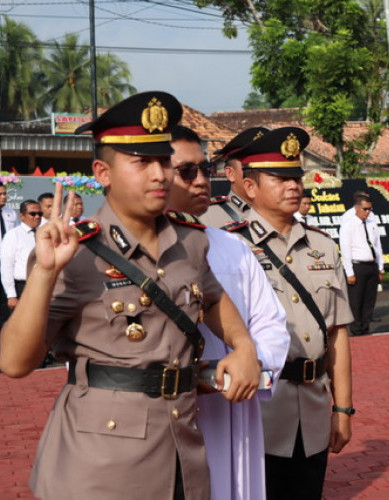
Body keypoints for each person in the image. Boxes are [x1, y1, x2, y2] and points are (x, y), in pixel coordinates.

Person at [0, 91, 261, 500]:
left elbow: (211, 298)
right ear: (103, 173)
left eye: (162, 160)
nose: (160, 174)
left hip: (182, 447)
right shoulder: (75, 252)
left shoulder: (190, 241)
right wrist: (45, 273)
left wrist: (243, 344)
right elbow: (15, 363)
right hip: (102, 462)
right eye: (142, 163)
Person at [230, 126, 354, 500]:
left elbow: (338, 334)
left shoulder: (322, 246)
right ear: (250, 187)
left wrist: (344, 408)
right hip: (256, 414)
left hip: (314, 408)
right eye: (279, 178)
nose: (293, 186)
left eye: (296, 177)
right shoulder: (228, 245)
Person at [168, 124, 290, 500]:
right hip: (157, 416)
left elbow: (270, 324)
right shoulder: (117, 252)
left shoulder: (232, 248)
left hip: (228, 407)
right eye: (187, 171)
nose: (202, 180)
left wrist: (249, 366)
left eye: (205, 170)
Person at [200, 127, 268, 228]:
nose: (261, 173)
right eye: (250, 166)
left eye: (268, 166)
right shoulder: (206, 217)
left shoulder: (286, 212)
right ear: (230, 173)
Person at [339, 192, 384, 336]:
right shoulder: (348, 224)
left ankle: (366, 327)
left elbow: (378, 246)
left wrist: (380, 268)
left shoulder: (371, 222)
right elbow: (345, 250)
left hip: (371, 265)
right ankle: (356, 329)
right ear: (356, 208)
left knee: (370, 299)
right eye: (365, 209)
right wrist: (349, 272)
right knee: (356, 300)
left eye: (370, 209)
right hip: (357, 265)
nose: (368, 212)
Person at [1, 199, 42, 310]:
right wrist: (11, 295)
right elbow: (6, 266)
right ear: (22, 216)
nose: (37, 216)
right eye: (33, 214)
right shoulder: (13, 235)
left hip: (42, 286)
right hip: (22, 287)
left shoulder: (43, 234)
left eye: (40, 213)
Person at [0, 183, 19, 327]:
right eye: (0, 194)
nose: (4, 197)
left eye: (5, 194)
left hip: (7, 260)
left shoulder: (11, 213)